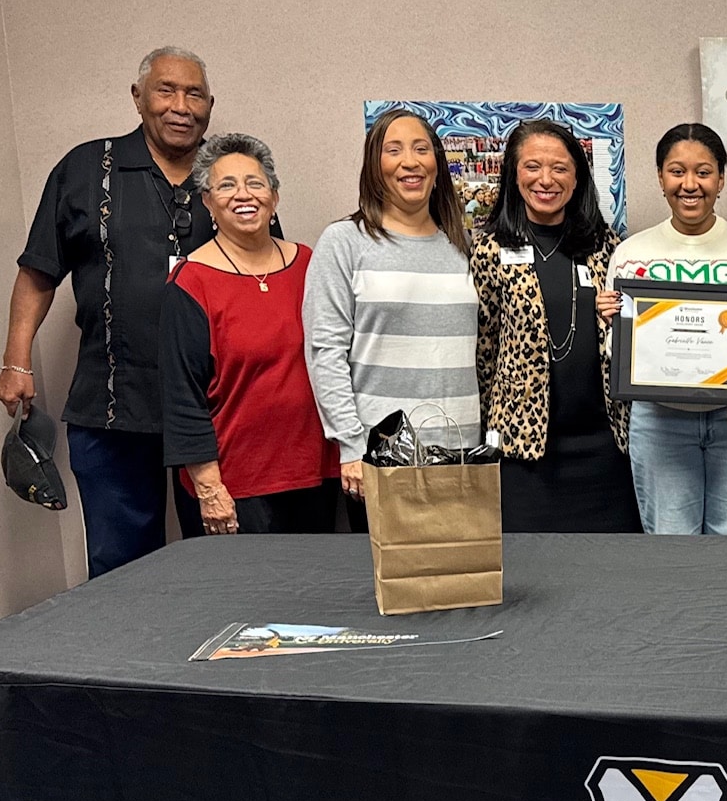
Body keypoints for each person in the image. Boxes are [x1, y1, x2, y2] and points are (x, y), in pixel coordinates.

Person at [0, 47, 217, 575]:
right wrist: (15, 361)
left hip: (214, 406)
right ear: (138, 97)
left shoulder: (230, 172)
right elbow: (38, 271)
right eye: (166, 90)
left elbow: (269, 272)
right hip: (112, 403)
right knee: (119, 566)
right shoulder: (86, 167)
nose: (181, 105)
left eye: (195, 94)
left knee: (221, 560)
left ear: (211, 105)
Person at [599, 125, 727, 534]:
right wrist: (614, 328)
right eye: (676, 171)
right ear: (660, 177)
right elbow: (615, 346)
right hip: (659, 422)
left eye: (703, 172)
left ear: (721, 179)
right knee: (671, 548)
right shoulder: (631, 254)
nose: (690, 184)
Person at [304, 108, 477, 526]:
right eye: (393, 150)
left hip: (460, 450)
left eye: (421, 149)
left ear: (437, 163)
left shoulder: (463, 244)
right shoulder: (345, 241)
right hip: (382, 453)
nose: (410, 161)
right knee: (392, 586)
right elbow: (325, 351)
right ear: (374, 166)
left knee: (457, 581)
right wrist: (350, 447)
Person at [161, 134, 339, 534]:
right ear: (207, 201)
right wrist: (209, 488)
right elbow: (181, 396)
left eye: (255, 183)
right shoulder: (191, 281)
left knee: (316, 593)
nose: (244, 195)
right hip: (234, 488)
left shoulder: (309, 264)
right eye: (226, 185)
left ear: (274, 197)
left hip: (315, 474)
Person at [472, 119, 637, 532]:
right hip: (525, 454)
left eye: (560, 168)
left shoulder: (607, 246)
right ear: (513, 173)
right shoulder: (489, 248)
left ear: (578, 177)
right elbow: (483, 349)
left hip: (607, 449)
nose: (546, 179)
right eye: (532, 167)